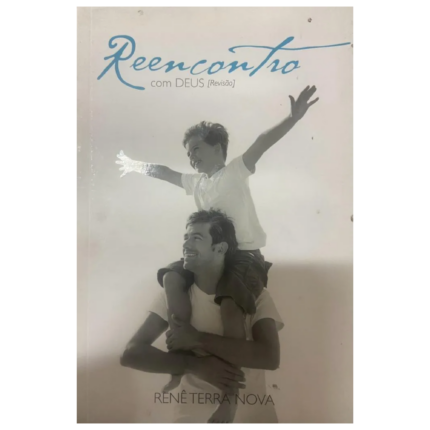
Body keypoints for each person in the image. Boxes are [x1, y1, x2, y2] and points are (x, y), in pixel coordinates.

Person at [116, 85, 318, 421]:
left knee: (229, 306)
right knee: (171, 278)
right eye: (188, 153)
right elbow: (166, 172)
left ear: (217, 148)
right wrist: (135, 166)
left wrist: (292, 118)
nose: (191, 156)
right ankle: (180, 356)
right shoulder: (196, 183)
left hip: (243, 257)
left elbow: (262, 142)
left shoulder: (235, 171)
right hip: (210, 256)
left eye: (196, 149)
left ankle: (230, 396)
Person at [120, 209, 284, 423]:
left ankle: (229, 399)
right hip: (191, 416)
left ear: (219, 248)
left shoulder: (255, 295)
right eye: (186, 237)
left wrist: (197, 339)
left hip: (250, 415)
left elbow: (269, 357)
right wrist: (192, 365)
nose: (186, 244)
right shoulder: (174, 294)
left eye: (196, 238)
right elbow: (131, 354)